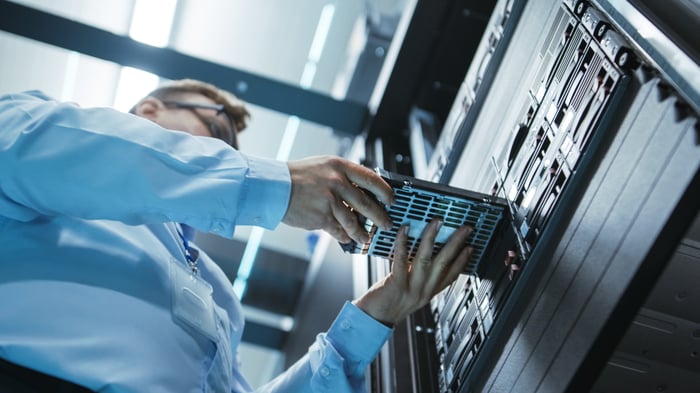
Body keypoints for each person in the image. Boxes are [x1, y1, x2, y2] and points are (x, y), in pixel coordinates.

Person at [0, 79, 474, 392]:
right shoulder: (33, 133)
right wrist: (268, 186)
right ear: (149, 109)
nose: (221, 151)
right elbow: (51, 148)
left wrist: (374, 316)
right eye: (216, 128)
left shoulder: (217, 298)